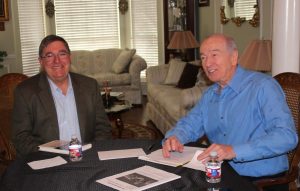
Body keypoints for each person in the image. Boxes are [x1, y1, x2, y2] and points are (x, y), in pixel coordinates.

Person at [162, 34, 298, 189]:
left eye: (214, 55)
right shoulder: (210, 95)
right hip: (221, 174)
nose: (207, 63)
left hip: (260, 181)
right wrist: (175, 137)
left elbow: (286, 137)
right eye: (204, 57)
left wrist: (233, 151)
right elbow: (189, 124)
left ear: (233, 57)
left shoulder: (263, 87)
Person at [12, 35, 112, 157]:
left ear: (70, 57)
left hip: (87, 157)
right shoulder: (25, 91)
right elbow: (21, 137)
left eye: (62, 54)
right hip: (47, 161)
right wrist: (50, 157)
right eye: (49, 56)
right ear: (41, 62)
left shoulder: (90, 86)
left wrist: (93, 153)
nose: (57, 61)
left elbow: (103, 128)